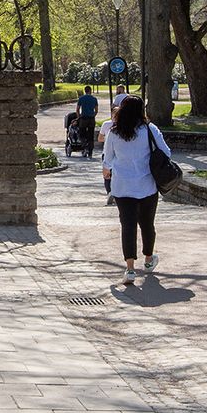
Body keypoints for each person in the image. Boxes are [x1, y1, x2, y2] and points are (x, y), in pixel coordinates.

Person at [101, 95, 172, 285]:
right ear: (141, 110)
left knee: (128, 226)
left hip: (122, 187)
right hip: (147, 185)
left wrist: (107, 170)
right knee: (147, 224)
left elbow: (107, 159)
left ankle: (130, 269)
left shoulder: (114, 133)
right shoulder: (149, 129)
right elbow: (166, 152)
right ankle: (148, 259)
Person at [75, 85, 99, 157]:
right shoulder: (94, 99)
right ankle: (90, 151)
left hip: (83, 118)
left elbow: (77, 109)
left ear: (85, 91)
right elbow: (96, 110)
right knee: (91, 135)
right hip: (91, 119)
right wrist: (93, 115)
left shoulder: (81, 98)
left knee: (82, 133)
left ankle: (84, 147)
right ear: (90, 91)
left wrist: (79, 117)